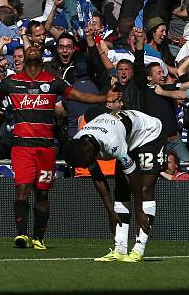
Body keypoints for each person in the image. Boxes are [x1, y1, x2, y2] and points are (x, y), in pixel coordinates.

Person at [0, 45, 120, 249]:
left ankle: (38, 238)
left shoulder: (53, 82)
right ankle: (21, 235)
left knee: (43, 193)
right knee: (22, 188)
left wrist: (104, 98)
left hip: (46, 148)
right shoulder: (11, 82)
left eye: (37, 48)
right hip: (22, 147)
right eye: (29, 49)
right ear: (23, 57)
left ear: (42, 58)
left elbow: (79, 96)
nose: (33, 50)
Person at [62, 109, 166, 263]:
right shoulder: (79, 143)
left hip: (149, 135)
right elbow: (98, 178)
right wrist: (110, 211)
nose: (84, 166)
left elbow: (133, 176)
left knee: (145, 189)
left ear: (88, 151)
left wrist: (139, 211)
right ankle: (120, 248)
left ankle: (138, 249)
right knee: (121, 190)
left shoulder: (112, 142)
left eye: (83, 163)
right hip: (128, 139)